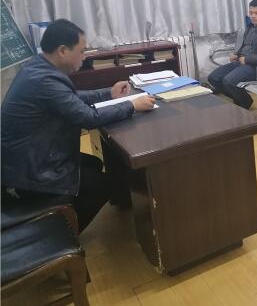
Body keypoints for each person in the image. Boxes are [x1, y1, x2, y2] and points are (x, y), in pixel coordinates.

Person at [1, 19, 156, 232]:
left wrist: (108, 93)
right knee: (105, 184)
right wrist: (132, 105)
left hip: (29, 160)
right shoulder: (45, 81)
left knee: (93, 162)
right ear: (63, 51)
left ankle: (113, 203)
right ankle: (61, 233)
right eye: (82, 51)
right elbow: (88, 118)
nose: (85, 56)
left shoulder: (37, 67)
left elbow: (70, 98)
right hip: (33, 172)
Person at [208, 0, 257, 109]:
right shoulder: (250, 28)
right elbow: (245, 46)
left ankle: (245, 102)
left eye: (256, 13)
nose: (253, 16)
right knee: (213, 78)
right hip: (241, 63)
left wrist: (246, 60)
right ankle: (239, 99)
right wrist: (237, 54)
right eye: (251, 13)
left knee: (228, 81)